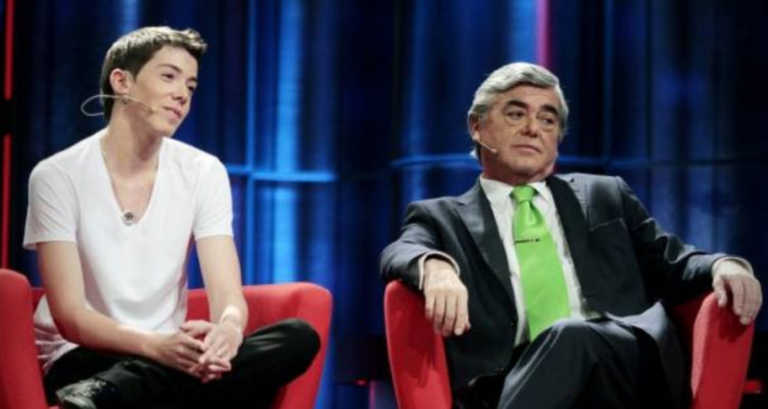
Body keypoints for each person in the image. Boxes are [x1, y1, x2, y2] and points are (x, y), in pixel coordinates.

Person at [379, 62, 762, 409]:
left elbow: (673, 261)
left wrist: (725, 265)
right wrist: (435, 266)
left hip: (622, 370)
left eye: (548, 120)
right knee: (563, 343)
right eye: (516, 114)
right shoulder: (442, 216)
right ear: (477, 126)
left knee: (572, 336)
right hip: (508, 385)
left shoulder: (604, 195)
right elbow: (401, 251)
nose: (533, 129)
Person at [24, 26, 319, 409]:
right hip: (83, 354)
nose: (182, 95)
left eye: (191, 86)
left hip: (165, 358)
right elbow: (71, 317)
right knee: (210, 385)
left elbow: (228, 296)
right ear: (122, 81)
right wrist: (155, 346)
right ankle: (114, 390)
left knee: (298, 337)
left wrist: (228, 330)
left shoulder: (203, 171)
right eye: (169, 77)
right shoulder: (56, 175)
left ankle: (109, 395)